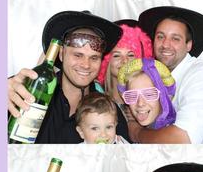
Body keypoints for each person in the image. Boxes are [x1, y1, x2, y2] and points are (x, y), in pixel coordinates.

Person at [7, 10, 129, 142]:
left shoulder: (109, 110)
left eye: (94, 58)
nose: (86, 65)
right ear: (61, 54)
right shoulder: (32, 91)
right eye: (78, 55)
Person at [131, 6, 203, 144]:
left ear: (189, 45)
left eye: (175, 38)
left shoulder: (202, 75)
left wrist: (137, 133)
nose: (166, 44)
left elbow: (181, 139)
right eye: (160, 37)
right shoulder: (152, 74)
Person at [97, 19, 153, 105]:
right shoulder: (96, 97)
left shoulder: (150, 100)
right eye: (116, 55)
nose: (125, 61)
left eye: (130, 55)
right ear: (106, 63)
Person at [117, 57, 176, 131]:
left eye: (149, 94)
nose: (140, 103)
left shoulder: (174, 131)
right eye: (132, 96)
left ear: (162, 97)